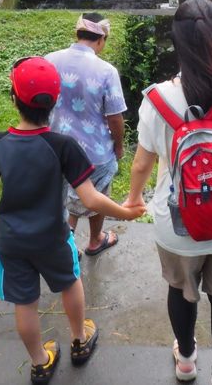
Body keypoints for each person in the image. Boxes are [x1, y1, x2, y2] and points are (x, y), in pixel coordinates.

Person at [0, 56, 145, 385]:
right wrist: (126, 211)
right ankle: (79, 339)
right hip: (52, 236)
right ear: (55, 101)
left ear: (14, 98)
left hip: (11, 240)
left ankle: (40, 363)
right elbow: (91, 199)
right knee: (70, 282)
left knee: (24, 303)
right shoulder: (62, 146)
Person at [124, 0, 212, 385]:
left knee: (180, 291)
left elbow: (141, 163)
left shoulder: (157, 100)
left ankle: (186, 361)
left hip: (177, 222)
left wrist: (134, 199)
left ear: (177, 44)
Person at [46, 13, 126, 257]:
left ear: (77, 34)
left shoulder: (50, 60)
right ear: (101, 40)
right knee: (97, 196)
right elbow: (114, 117)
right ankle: (95, 241)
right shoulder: (106, 71)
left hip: (55, 146)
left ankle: (64, 243)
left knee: (61, 195)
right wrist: (119, 146)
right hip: (94, 151)